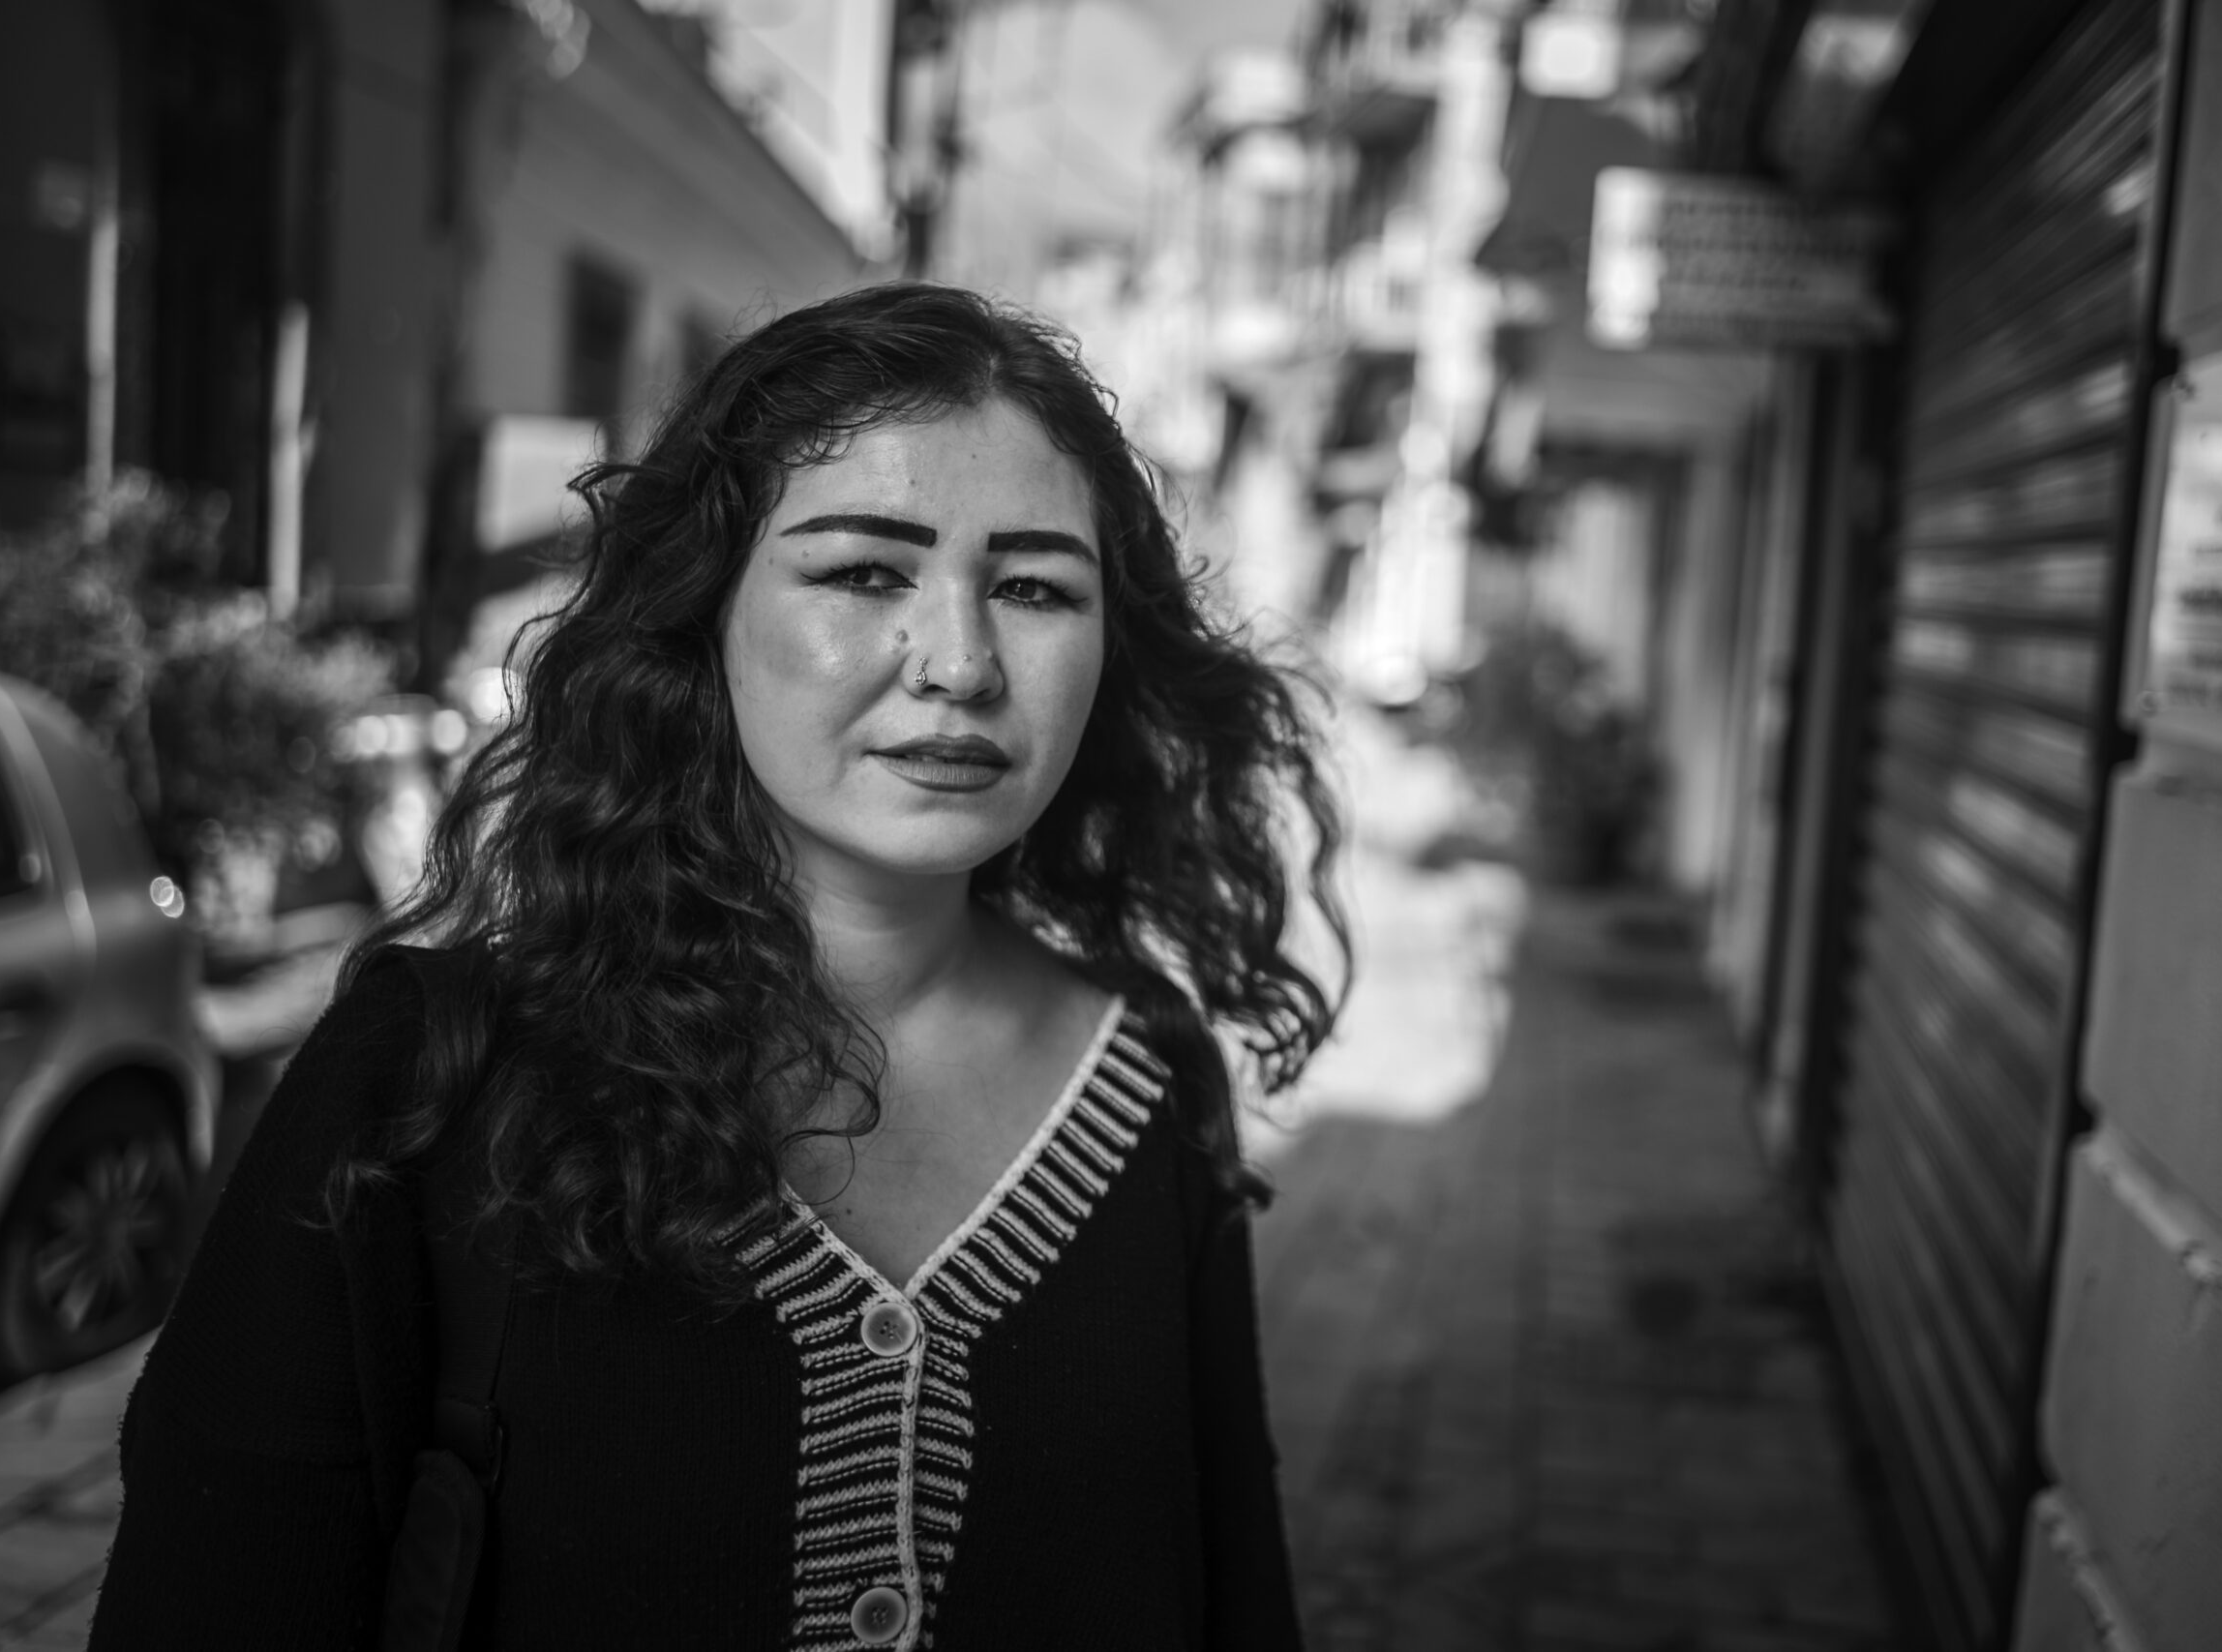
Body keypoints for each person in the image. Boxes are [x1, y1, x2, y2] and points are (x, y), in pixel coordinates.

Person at [91, 282, 1348, 1650]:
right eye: (865, 572)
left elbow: (1240, 1598)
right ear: (704, 614)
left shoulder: (1150, 1081)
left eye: (1036, 588)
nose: (961, 664)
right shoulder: (429, 1081)